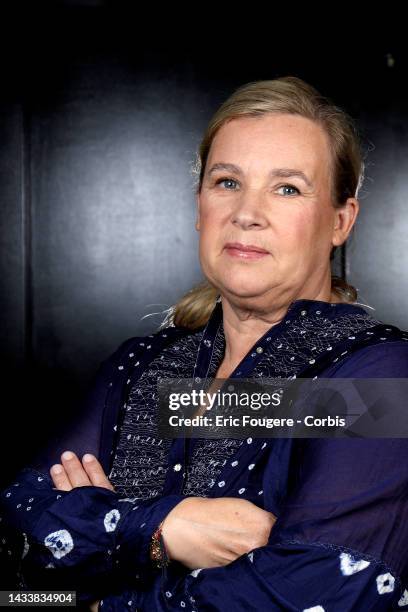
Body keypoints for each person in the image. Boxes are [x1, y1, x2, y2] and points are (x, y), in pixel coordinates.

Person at [1, 76, 408, 611]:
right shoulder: (144, 367)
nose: (247, 212)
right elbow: (17, 553)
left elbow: (315, 592)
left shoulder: (376, 378)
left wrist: (99, 591)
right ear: (199, 207)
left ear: (340, 220)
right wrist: (163, 528)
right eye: (226, 182)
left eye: (287, 188)